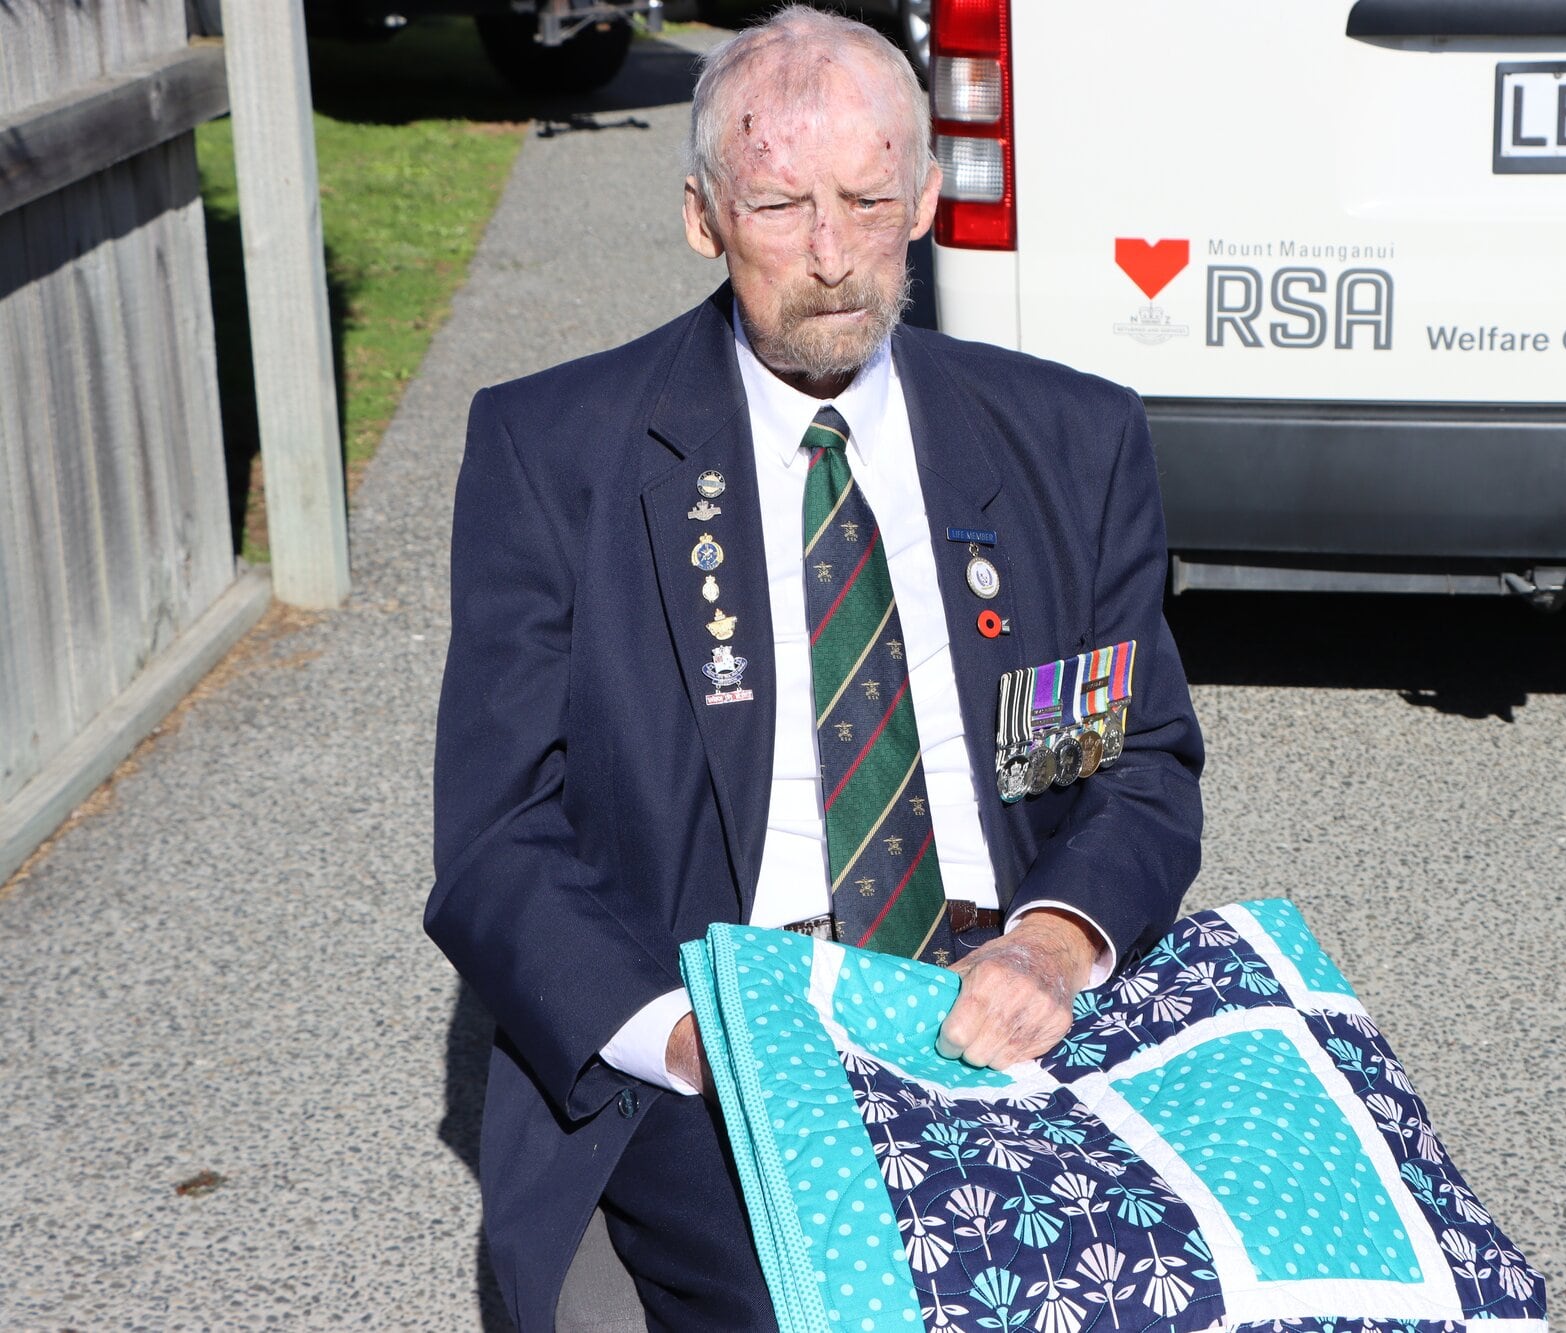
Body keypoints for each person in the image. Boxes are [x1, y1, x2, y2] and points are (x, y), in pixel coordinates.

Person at [425, 8, 1204, 1331]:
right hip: (730, 1022)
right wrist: (688, 1035)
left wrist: (1056, 939)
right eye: (781, 206)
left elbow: (1130, 764)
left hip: (1001, 990)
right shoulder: (556, 451)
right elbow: (498, 835)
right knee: (839, 1298)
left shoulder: (1071, 446)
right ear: (703, 215)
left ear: (927, 198)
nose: (833, 257)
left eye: (867, 199)